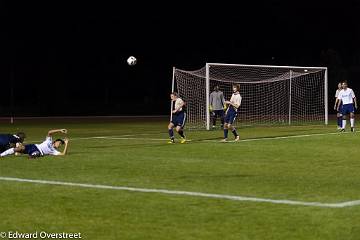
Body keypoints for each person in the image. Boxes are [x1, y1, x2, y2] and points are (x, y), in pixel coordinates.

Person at [0, 129, 69, 158]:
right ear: (55, 141)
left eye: (60, 145)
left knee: (36, 154)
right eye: (59, 143)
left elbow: (63, 154)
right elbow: (49, 132)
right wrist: (60, 130)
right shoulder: (49, 141)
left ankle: (30, 156)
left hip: (38, 152)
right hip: (33, 146)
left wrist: (66, 144)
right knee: (19, 148)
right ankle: (1, 155)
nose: (59, 145)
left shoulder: (54, 151)